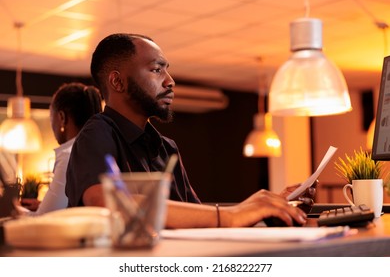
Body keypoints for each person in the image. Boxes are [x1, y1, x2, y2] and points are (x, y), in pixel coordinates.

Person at [65, 33, 311, 228]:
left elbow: (198, 217)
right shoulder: (96, 133)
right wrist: (230, 215)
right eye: (156, 69)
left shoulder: (167, 147)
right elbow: (105, 201)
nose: (170, 81)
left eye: (167, 69)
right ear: (117, 82)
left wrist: (266, 208)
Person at [20, 82, 103, 215]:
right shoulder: (98, 149)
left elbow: (44, 220)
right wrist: (42, 205)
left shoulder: (69, 155)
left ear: (62, 117)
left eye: (51, 118)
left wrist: (14, 210)